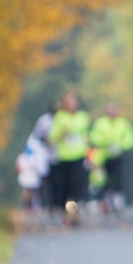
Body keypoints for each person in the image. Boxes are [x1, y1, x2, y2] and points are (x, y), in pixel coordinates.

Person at [46, 92, 92, 226]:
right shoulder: (60, 117)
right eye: (68, 101)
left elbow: (86, 136)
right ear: (65, 103)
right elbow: (51, 137)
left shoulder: (83, 117)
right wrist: (61, 133)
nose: (71, 104)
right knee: (64, 187)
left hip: (78, 156)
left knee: (76, 186)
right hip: (64, 157)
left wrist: (90, 155)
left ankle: (73, 212)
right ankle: (65, 213)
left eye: (73, 101)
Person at [88, 105, 133, 213]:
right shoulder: (100, 123)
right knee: (103, 179)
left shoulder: (123, 123)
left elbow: (131, 137)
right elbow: (94, 136)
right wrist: (106, 143)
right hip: (103, 156)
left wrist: (122, 145)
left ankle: (118, 198)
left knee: (118, 176)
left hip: (118, 155)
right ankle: (105, 199)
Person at [15, 116, 52, 212]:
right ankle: (28, 204)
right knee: (27, 190)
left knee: (34, 191)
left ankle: (35, 204)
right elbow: (18, 166)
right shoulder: (24, 155)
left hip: (34, 176)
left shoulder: (36, 152)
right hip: (27, 176)